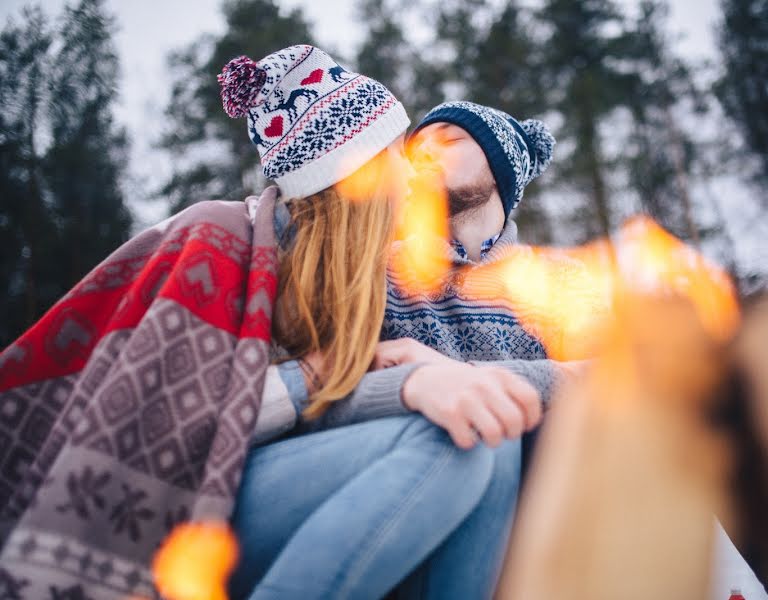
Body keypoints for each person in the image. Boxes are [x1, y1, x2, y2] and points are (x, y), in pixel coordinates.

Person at [0, 45, 537, 599]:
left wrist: (389, 370)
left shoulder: (344, 278)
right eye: (397, 151)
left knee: (484, 439)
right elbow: (168, 417)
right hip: (176, 492)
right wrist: (376, 378)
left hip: (266, 479)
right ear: (358, 171)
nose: (411, 171)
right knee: (450, 447)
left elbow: (322, 393)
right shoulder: (218, 238)